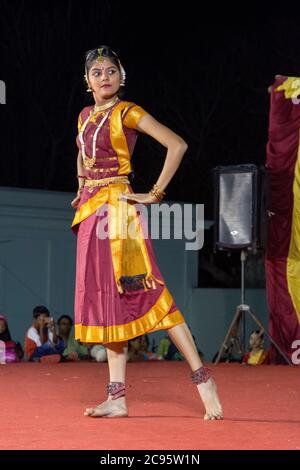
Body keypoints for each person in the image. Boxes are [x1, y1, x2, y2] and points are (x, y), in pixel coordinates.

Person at [71, 45, 223, 420]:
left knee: (148, 291)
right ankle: (117, 397)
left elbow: (177, 145)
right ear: (86, 81)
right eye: (96, 72)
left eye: (110, 70)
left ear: (122, 76)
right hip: (91, 214)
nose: (104, 77)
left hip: (118, 217)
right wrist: (80, 185)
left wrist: (155, 194)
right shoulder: (85, 115)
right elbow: (82, 153)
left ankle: (203, 379)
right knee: (108, 302)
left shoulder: (129, 112)